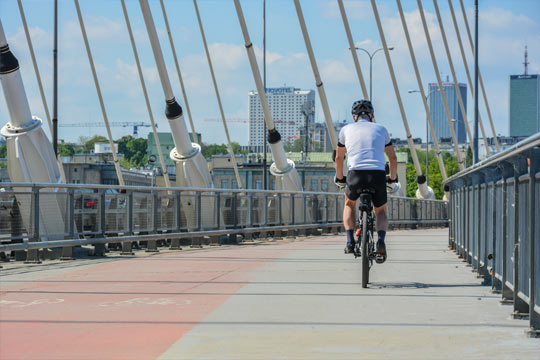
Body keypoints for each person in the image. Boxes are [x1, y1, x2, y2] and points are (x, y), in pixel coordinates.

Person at [334, 99, 398, 263]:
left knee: (349, 203)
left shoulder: (345, 130)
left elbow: (339, 157)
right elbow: (392, 157)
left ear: (354, 117)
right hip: (377, 174)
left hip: (355, 175)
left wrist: (340, 177)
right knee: (381, 211)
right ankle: (381, 240)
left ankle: (349, 241)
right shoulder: (381, 129)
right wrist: (392, 178)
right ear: (372, 116)